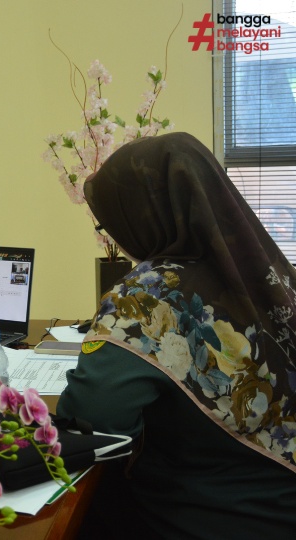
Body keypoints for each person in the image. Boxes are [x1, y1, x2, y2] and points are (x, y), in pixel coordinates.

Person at [55, 132, 296, 538]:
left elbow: (93, 422)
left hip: (213, 515)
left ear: (140, 216)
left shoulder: (146, 296)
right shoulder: (268, 271)